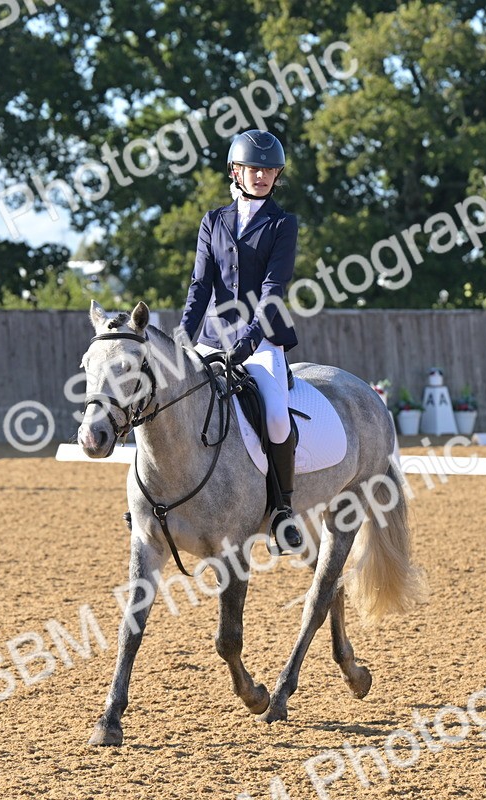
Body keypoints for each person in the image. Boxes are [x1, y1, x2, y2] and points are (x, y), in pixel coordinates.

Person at [178, 129, 303, 551]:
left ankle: (282, 511)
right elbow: (199, 287)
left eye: (270, 170)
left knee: (275, 418)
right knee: (173, 404)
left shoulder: (283, 224)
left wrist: (248, 344)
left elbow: (273, 290)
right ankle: (157, 499)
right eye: (255, 169)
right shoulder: (213, 221)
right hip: (212, 337)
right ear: (236, 171)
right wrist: (183, 340)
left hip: (262, 340)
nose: (263, 176)